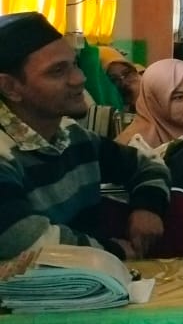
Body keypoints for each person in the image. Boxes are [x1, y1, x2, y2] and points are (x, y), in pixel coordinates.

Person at [0, 13, 170, 260]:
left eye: (75, 64)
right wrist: (114, 252)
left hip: (90, 279)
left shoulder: (72, 136)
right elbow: (24, 242)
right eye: (57, 71)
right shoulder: (5, 154)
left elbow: (149, 163)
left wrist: (148, 206)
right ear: (10, 88)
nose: (80, 78)